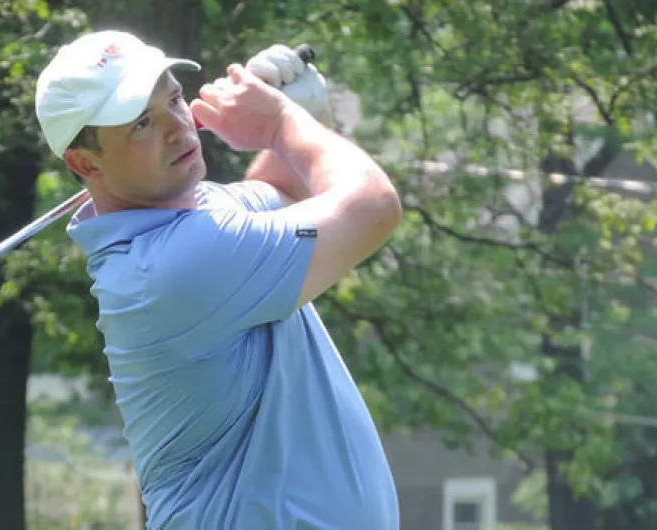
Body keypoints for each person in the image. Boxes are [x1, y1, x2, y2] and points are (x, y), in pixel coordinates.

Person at [36, 30, 403, 529]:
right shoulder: (170, 267)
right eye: (142, 123)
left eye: (173, 99)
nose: (177, 128)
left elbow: (280, 192)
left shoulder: (195, 220)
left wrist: (289, 109)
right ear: (84, 162)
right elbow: (373, 207)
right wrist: (279, 122)